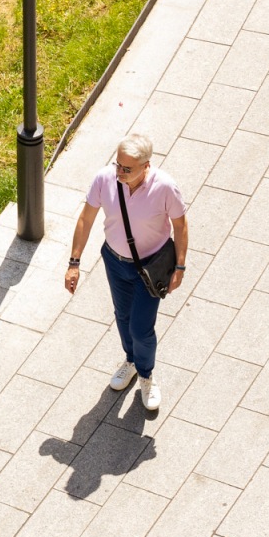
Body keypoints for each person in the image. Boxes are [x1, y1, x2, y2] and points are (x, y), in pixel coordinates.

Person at [64, 133, 188, 412]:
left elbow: (180, 225)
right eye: (117, 164)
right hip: (115, 261)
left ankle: (146, 375)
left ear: (146, 166)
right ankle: (131, 360)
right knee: (122, 316)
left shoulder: (165, 187)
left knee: (140, 328)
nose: (119, 172)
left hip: (150, 266)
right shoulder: (105, 179)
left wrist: (180, 267)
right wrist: (74, 263)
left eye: (127, 168)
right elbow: (86, 219)